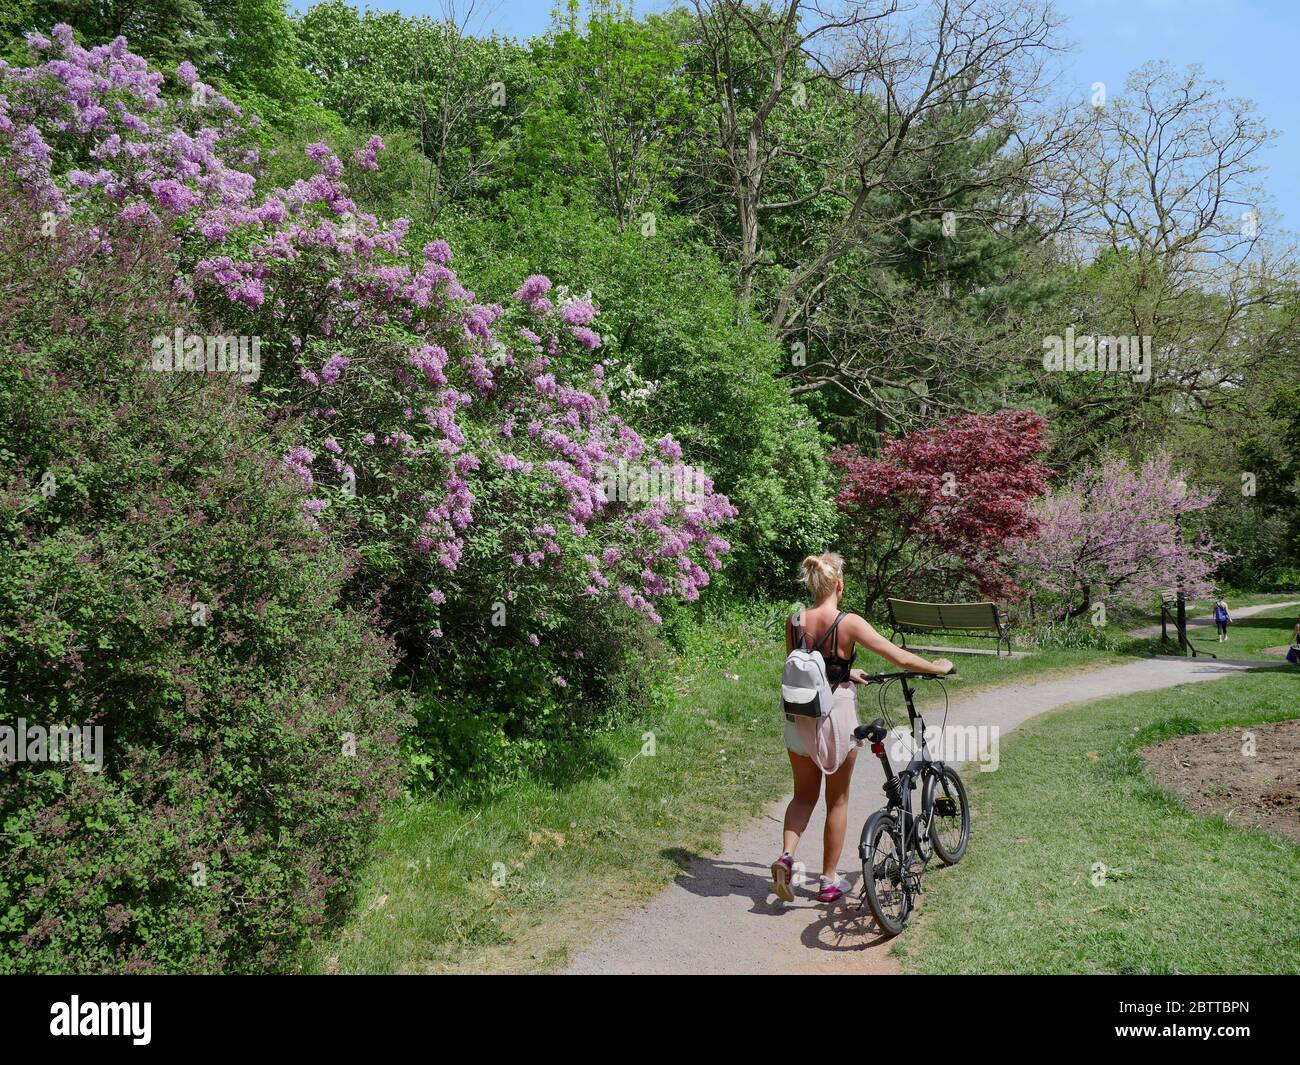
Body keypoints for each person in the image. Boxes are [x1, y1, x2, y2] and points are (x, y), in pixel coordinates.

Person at [770, 553, 952, 905]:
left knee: (803, 796)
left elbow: (804, 665)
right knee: (836, 800)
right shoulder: (847, 622)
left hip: (799, 719)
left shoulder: (794, 620)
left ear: (812, 584)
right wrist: (935, 667)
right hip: (836, 718)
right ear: (838, 584)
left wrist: (844, 671)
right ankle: (827, 881)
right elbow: (897, 656)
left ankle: (786, 857)